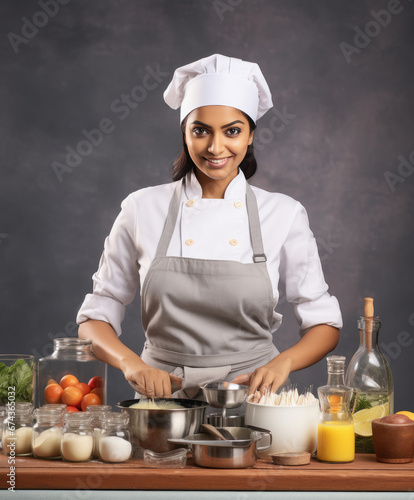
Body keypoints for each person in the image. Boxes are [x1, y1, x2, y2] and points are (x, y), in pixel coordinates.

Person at [77, 54, 342, 401]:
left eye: (232, 131)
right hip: (161, 402)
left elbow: (324, 322)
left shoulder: (284, 213)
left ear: (250, 136)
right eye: (200, 130)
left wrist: (284, 363)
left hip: (253, 399)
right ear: (185, 133)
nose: (216, 148)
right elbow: (95, 317)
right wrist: (132, 364)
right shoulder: (141, 208)